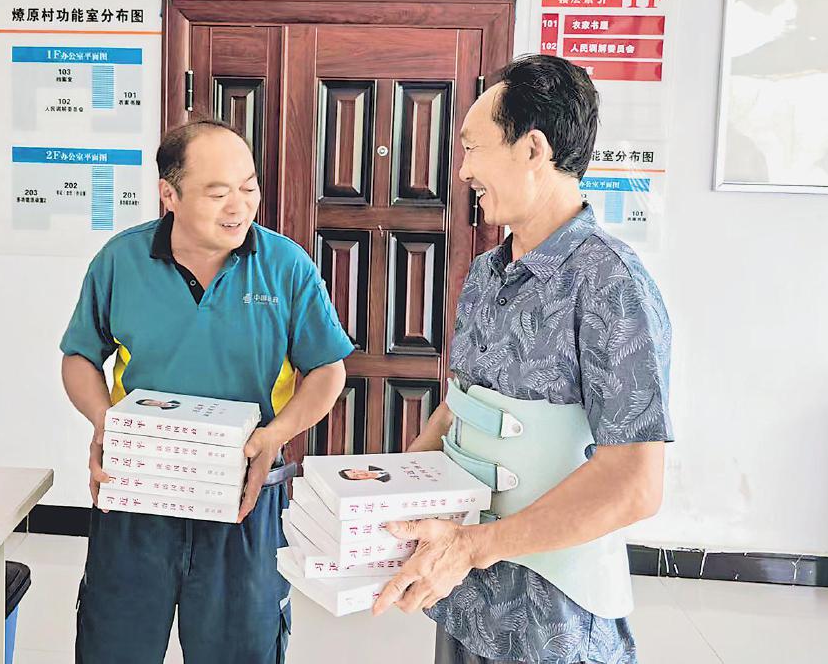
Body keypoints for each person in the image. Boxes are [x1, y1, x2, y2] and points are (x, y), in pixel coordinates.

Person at [372, 55, 673, 664]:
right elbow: (458, 410)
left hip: (555, 618)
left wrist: (475, 547)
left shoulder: (612, 285)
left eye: (473, 148)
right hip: (464, 600)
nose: (463, 171)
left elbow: (635, 483)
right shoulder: (487, 274)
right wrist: (385, 499)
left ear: (533, 149)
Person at [60, 120, 354, 663]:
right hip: (138, 493)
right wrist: (107, 425)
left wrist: (275, 436)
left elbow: (327, 370)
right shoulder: (120, 262)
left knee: (241, 649)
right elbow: (79, 356)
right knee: (114, 647)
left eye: (248, 187)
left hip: (243, 498)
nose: (239, 207)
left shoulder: (285, 266)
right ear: (169, 194)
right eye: (218, 193)